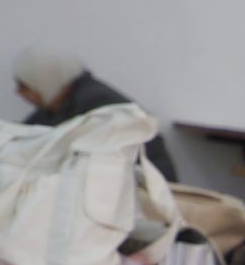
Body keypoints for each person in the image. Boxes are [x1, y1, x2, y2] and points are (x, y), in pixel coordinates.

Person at [12, 47, 177, 181]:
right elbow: (28, 135)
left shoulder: (97, 104)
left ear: (46, 81)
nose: (18, 93)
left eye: (25, 87)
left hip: (147, 188)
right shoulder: (58, 102)